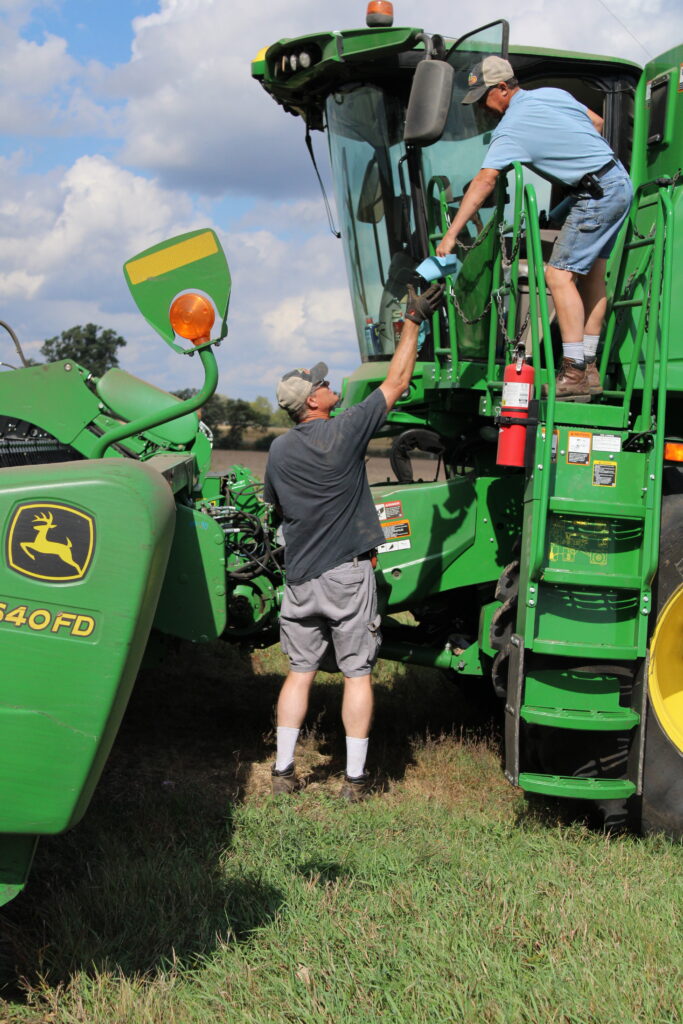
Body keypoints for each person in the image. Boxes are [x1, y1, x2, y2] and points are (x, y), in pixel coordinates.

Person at [263, 282, 444, 801]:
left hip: (300, 580)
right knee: (357, 675)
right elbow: (399, 379)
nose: (327, 384)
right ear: (314, 402)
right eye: (320, 384)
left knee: (298, 674)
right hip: (347, 575)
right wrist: (413, 319)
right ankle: (355, 780)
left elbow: (277, 508)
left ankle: (282, 772)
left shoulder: (277, 451)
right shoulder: (346, 430)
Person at [436, 55, 633, 400]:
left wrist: (452, 234)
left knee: (558, 275)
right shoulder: (551, 94)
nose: (482, 106)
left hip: (595, 194)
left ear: (502, 88)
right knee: (593, 276)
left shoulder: (512, 127)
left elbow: (485, 181)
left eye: (484, 97)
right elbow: (597, 123)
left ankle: (572, 371)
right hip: (616, 181)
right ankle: (589, 367)